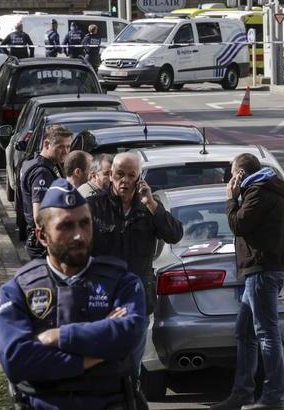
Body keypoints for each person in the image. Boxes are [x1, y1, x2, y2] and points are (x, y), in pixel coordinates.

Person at [0, 178, 146, 410]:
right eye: (66, 226)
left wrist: (58, 337)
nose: (79, 235)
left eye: (84, 223)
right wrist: (91, 358)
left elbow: (129, 335)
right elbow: (16, 360)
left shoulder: (121, 282)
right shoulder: (18, 289)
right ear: (42, 236)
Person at [87, 152, 183, 390]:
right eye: (120, 174)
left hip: (137, 299)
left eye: (131, 175)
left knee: (132, 367)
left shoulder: (147, 209)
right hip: (103, 298)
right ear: (110, 175)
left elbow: (175, 234)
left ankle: (129, 396)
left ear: (139, 178)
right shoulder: (93, 206)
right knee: (104, 362)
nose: (125, 181)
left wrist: (151, 204)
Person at [212, 153, 284, 410]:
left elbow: (239, 224)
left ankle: (273, 397)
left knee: (267, 334)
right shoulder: (269, 189)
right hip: (262, 270)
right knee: (245, 331)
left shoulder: (258, 192)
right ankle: (243, 392)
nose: (229, 180)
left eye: (232, 174)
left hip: (262, 270)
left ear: (240, 175)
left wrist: (230, 199)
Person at [20, 125, 72, 259]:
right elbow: (39, 216)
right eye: (61, 146)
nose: (65, 151)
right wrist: (52, 242)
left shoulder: (49, 165)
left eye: (68, 147)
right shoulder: (42, 172)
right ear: (47, 144)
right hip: (44, 243)